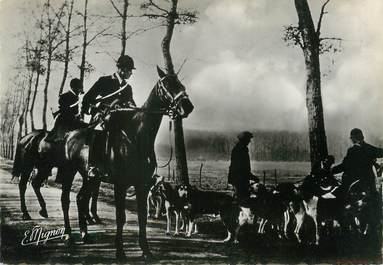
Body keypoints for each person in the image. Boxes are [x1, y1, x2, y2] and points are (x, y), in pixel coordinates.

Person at [81, 54, 137, 177]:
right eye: (129, 70)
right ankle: (93, 166)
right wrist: (94, 110)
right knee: (99, 130)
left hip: (120, 120)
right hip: (103, 117)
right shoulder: (104, 81)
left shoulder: (128, 88)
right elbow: (87, 98)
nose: (131, 73)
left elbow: (131, 104)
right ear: (121, 69)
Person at [332, 128, 383, 193]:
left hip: (356, 185)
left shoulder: (352, 151)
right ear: (362, 137)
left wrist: (332, 170)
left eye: (351, 138)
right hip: (369, 184)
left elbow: (344, 166)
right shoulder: (370, 148)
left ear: (353, 138)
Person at [46, 78, 85, 142]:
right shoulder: (65, 96)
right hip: (65, 119)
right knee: (59, 138)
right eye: (78, 88)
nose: (79, 91)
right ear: (73, 88)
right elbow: (64, 109)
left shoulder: (76, 97)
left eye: (80, 89)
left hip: (74, 120)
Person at [228, 131, 259, 201]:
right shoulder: (241, 150)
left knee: (241, 198)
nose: (249, 142)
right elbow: (242, 168)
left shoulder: (239, 149)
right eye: (248, 139)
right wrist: (252, 177)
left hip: (239, 179)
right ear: (244, 140)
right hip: (240, 180)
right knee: (243, 200)